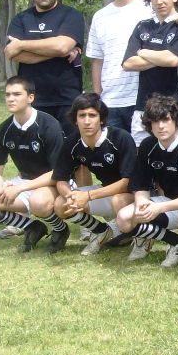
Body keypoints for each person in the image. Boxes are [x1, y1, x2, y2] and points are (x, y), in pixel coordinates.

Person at [34, 92, 137, 256]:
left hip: (133, 194)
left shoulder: (120, 138)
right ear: (75, 120)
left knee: (119, 201)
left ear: (101, 119)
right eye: (82, 116)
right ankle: (102, 231)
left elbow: (127, 182)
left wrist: (88, 195)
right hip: (104, 192)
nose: (87, 121)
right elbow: (60, 178)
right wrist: (70, 196)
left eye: (92, 115)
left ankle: (138, 237)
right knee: (62, 204)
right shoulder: (73, 142)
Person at [0, 76, 62, 251]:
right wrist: (0, 192)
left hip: (55, 183)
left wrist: (19, 189)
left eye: (17, 94)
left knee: (38, 202)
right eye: (7, 95)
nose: (11, 99)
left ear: (30, 98)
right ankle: (32, 227)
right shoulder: (3, 130)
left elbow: (58, 172)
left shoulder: (49, 125)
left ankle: (60, 229)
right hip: (24, 182)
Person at [114, 93, 178, 268]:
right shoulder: (147, 146)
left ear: (176, 120)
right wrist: (142, 203)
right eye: (155, 121)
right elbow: (140, 184)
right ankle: (176, 242)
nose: (161, 126)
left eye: (165, 120)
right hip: (168, 203)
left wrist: (159, 208)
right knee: (124, 218)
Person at [4, 0, 87, 134]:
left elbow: (62, 45)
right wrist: (58, 52)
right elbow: (12, 53)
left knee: (71, 153)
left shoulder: (71, 15)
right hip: (32, 99)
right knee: (38, 154)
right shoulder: (21, 19)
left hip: (67, 99)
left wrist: (22, 44)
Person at [122, 0, 178, 137]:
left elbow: (173, 59)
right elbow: (128, 63)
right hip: (143, 108)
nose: (159, 1)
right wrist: (163, 56)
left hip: (177, 107)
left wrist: (143, 52)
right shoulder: (142, 26)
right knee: (143, 158)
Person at [84, 0, 152, 136]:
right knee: (115, 157)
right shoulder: (100, 17)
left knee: (144, 154)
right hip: (111, 101)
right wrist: (98, 96)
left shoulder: (149, 9)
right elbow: (98, 60)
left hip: (142, 98)